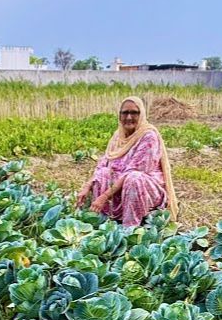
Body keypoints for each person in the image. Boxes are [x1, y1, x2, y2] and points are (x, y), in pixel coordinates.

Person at [75, 96, 179, 226]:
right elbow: (102, 165)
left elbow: (133, 172)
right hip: (120, 188)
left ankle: (130, 229)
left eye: (134, 113)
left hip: (145, 190)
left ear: (141, 114)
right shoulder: (118, 136)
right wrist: (86, 187)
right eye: (125, 113)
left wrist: (104, 196)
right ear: (119, 115)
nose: (129, 117)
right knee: (103, 173)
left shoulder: (148, 136)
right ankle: (105, 222)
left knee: (133, 178)